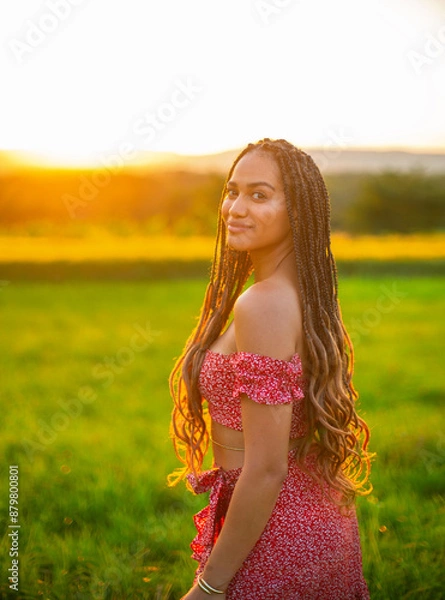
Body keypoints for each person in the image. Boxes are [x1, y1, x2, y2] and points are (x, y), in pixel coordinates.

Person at [169, 138, 372, 599]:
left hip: (276, 534)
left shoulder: (264, 304)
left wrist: (208, 587)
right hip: (303, 518)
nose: (236, 208)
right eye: (233, 191)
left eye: (259, 195)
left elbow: (265, 468)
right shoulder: (297, 291)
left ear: (296, 211)